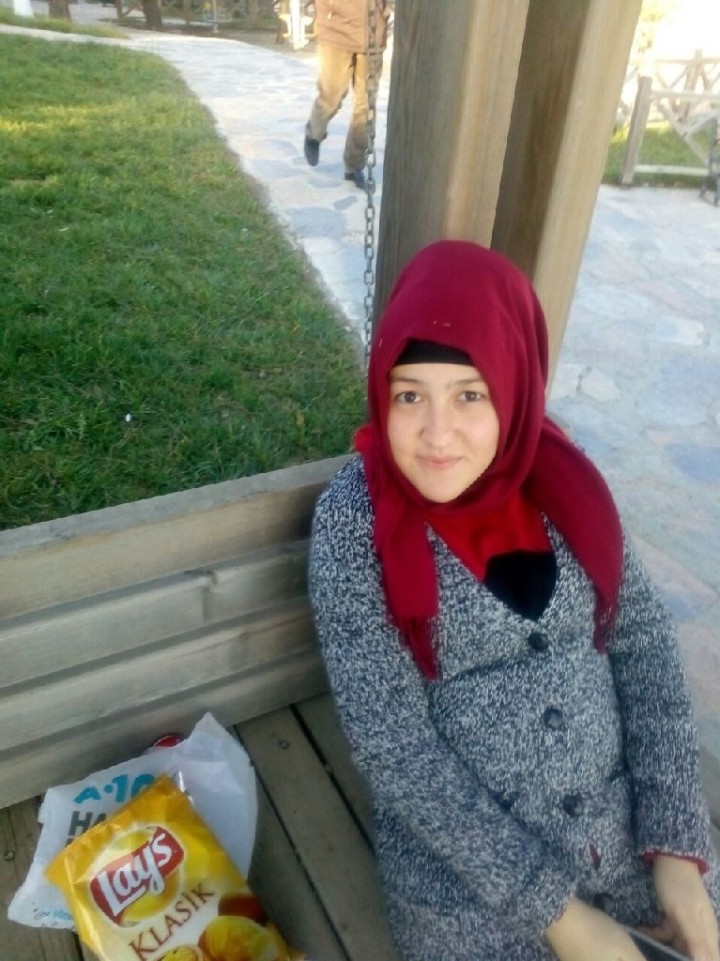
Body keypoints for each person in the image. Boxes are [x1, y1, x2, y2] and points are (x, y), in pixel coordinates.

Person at [308, 240, 720, 961]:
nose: (436, 434)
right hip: (472, 892)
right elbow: (394, 748)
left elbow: (644, 645)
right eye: (410, 395)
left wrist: (676, 848)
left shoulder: (566, 484)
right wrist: (561, 916)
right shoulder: (355, 523)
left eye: (470, 394)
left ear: (514, 385)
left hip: (626, 840)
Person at [303, 0, 389, 189]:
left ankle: (354, 164)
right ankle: (314, 133)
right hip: (335, 28)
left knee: (365, 106)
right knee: (331, 96)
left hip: (373, 31)